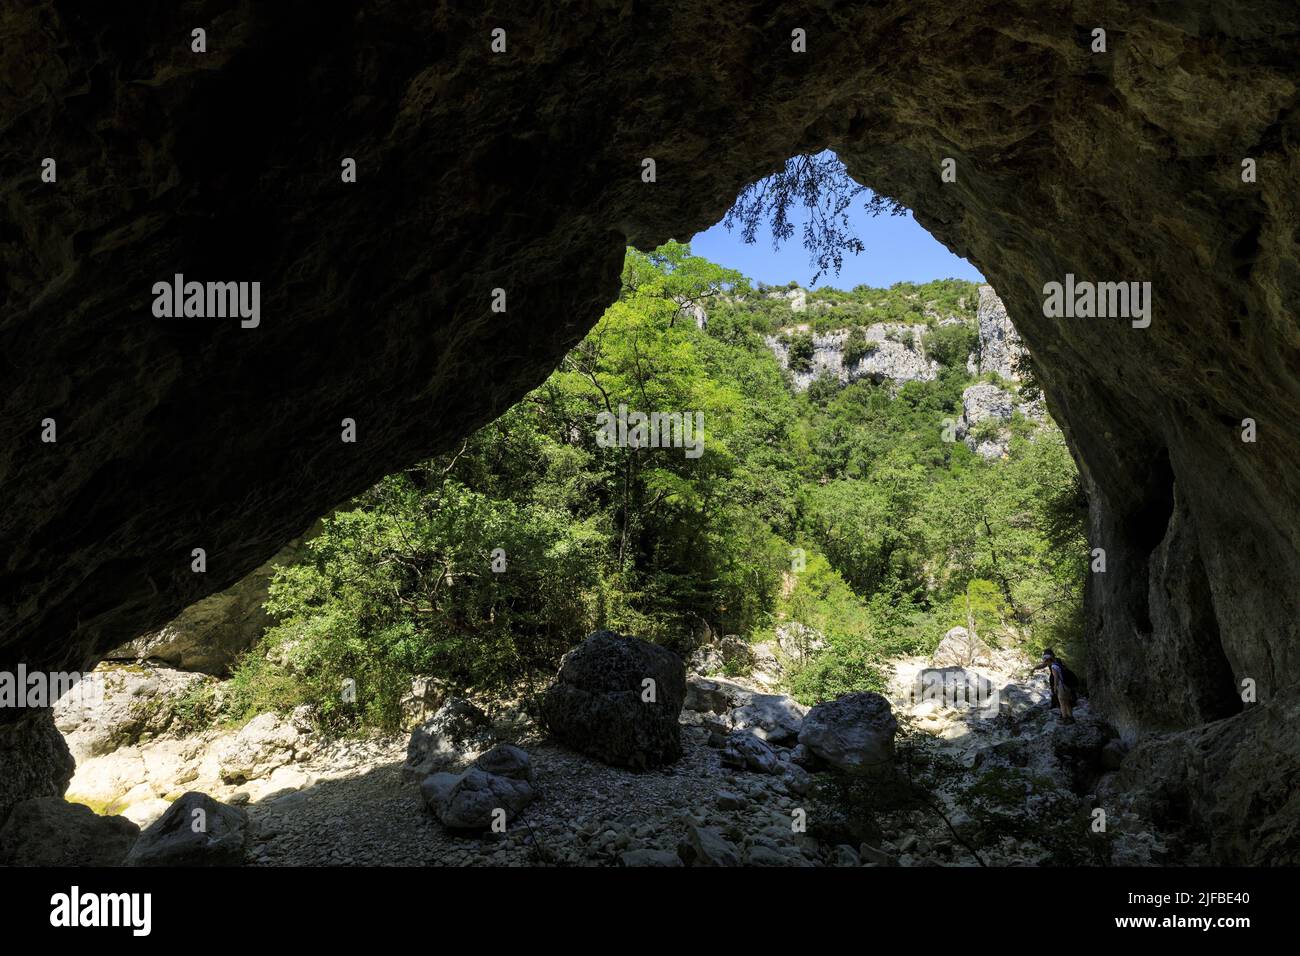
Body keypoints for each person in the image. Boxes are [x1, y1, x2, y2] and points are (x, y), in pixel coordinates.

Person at [1032, 648, 1076, 723]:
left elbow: (1055, 677)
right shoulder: (1058, 661)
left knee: (1061, 701)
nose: (1045, 663)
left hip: (1059, 684)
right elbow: (1066, 669)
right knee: (1066, 701)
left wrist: (1055, 687)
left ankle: (1064, 717)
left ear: (1048, 658)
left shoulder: (1053, 666)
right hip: (1066, 683)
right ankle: (1070, 717)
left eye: (1046, 660)